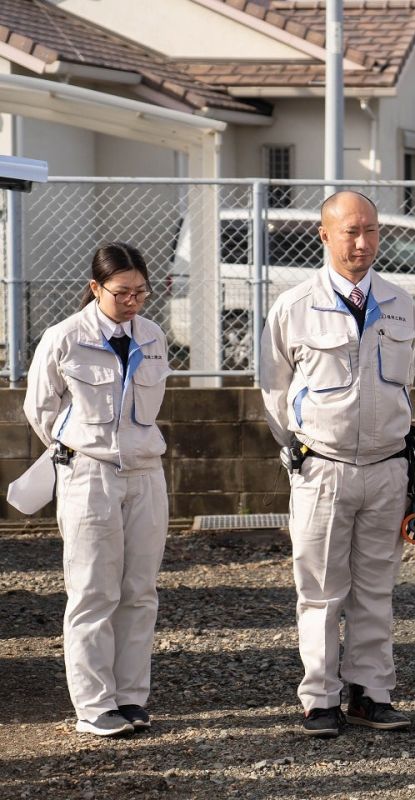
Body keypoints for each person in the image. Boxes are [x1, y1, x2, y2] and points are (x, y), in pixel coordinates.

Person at [260, 191, 415, 738]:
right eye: (351, 231)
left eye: (371, 230)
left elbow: (407, 382)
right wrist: (304, 446)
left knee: (377, 586)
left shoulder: (400, 301)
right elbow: (274, 390)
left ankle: (371, 693)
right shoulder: (293, 306)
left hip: (387, 465)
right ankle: (319, 696)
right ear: (324, 235)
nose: (363, 242)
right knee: (322, 589)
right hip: (322, 467)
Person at [24, 242, 171, 737]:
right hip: (90, 474)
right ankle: (93, 706)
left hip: (147, 473)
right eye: (122, 292)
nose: (133, 301)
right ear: (95, 288)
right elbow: (40, 410)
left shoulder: (153, 336)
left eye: (140, 292)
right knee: (92, 591)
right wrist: (82, 449)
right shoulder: (64, 337)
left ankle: (131, 698)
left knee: (140, 591)